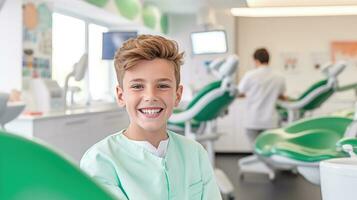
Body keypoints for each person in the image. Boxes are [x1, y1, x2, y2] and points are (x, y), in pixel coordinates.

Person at [80, 35, 222, 200]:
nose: (150, 96)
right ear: (121, 96)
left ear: (177, 95)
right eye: (137, 86)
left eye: (162, 86)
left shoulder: (195, 153)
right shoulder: (100, 160)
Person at [238, 48, 287, 146]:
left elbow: (239, 92)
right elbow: (281, 95)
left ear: (256, 60)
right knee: (270, 150)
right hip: (270, 121)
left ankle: (258, 161)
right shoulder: (279, 76)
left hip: (253, 120)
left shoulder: (250, 75)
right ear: (268, 60)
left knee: (256, 149)